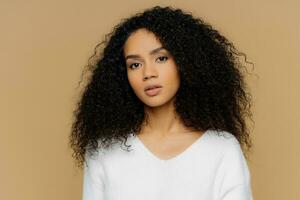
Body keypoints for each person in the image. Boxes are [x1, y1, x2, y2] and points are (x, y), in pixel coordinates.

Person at [69, 5, 255, 200]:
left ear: (185, 62)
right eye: (135, 65)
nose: (148, 73)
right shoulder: (103, 151)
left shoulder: (222, 149)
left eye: (161, 58)